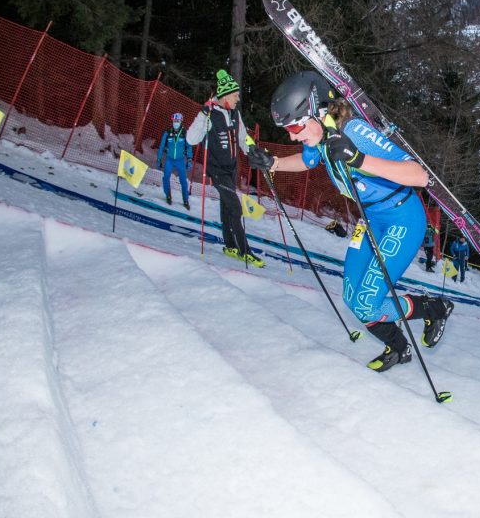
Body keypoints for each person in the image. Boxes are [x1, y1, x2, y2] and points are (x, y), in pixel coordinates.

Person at [248, 70, 454, 372]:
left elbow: (418, 175)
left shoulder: (354, 131)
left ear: (316, 112)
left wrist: (359, 159)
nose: (292, 135)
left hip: (403, 219)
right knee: (351, 296)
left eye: (294, 126)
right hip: (370, 220)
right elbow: (308, 160)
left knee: (367, 303)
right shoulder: (320, 134)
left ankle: (435, 308)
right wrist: (275, 163)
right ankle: (399, 348)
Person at [186, 70, 262, 267]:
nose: (238, 99)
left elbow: (243, 137)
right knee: (235, 206)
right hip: (216, 170)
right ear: (226, 95)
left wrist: (252, 150)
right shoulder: (210, 114)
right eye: (235, 95)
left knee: (226, 205)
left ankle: (230, 246)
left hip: (231, 169)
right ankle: (244, 251)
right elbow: (191, 139)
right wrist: (202, 114)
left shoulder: (235, 113)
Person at [157, 111, 193, 209]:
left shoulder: (185, 133)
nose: (175, 122)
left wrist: (189, 159)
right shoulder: (168, 132)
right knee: (166, 177)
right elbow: (161, 147)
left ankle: (185, 200)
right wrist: (159, 159)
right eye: (174, 121)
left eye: (177, 121)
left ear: (181, 122)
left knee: (183, 182)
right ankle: (168, 194)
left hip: (180, 160)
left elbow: (189, 147)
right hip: (169, 160)